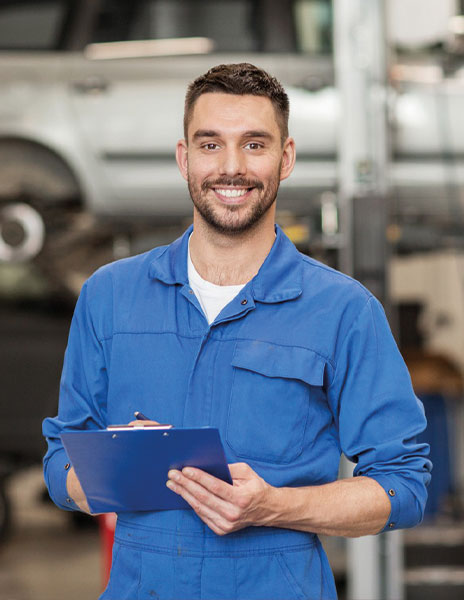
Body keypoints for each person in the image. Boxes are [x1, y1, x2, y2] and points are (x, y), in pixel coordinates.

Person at [43, 63, 431, 600]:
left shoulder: (343, 310)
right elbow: (60, 463)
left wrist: (276, 505)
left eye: (254, 145)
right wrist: (118, 467)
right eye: (209, 145)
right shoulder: (109, 297)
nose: (231, 168)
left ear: (286, 158)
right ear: (184, 158)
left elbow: (403, 485)